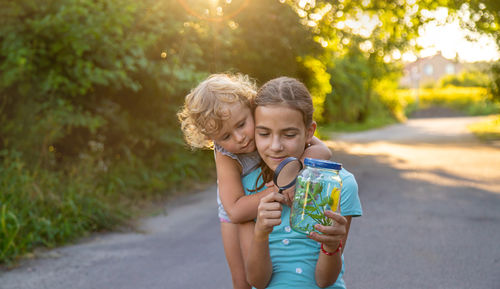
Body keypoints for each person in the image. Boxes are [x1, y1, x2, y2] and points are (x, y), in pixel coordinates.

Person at [177, 74, 332, 289]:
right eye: (225, 136)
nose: (239, 137)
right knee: (243, 280)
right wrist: (278, 188)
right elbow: (235, 210)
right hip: (237, 210)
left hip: (263, 196)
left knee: (272, 269)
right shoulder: (226, 154)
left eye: (241, 124)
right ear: (213, 140)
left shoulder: (266, 122)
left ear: (250, 106)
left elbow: (323, 150)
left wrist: (298, 171)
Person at [244, 77, 363, 289]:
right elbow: (256, 281)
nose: (275, 146)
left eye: (289, 134)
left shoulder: (340, 184)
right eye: (263, 133)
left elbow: (325, 280)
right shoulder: (251, 186)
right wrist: (260, 232)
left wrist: (331, 244)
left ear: (309, 132)